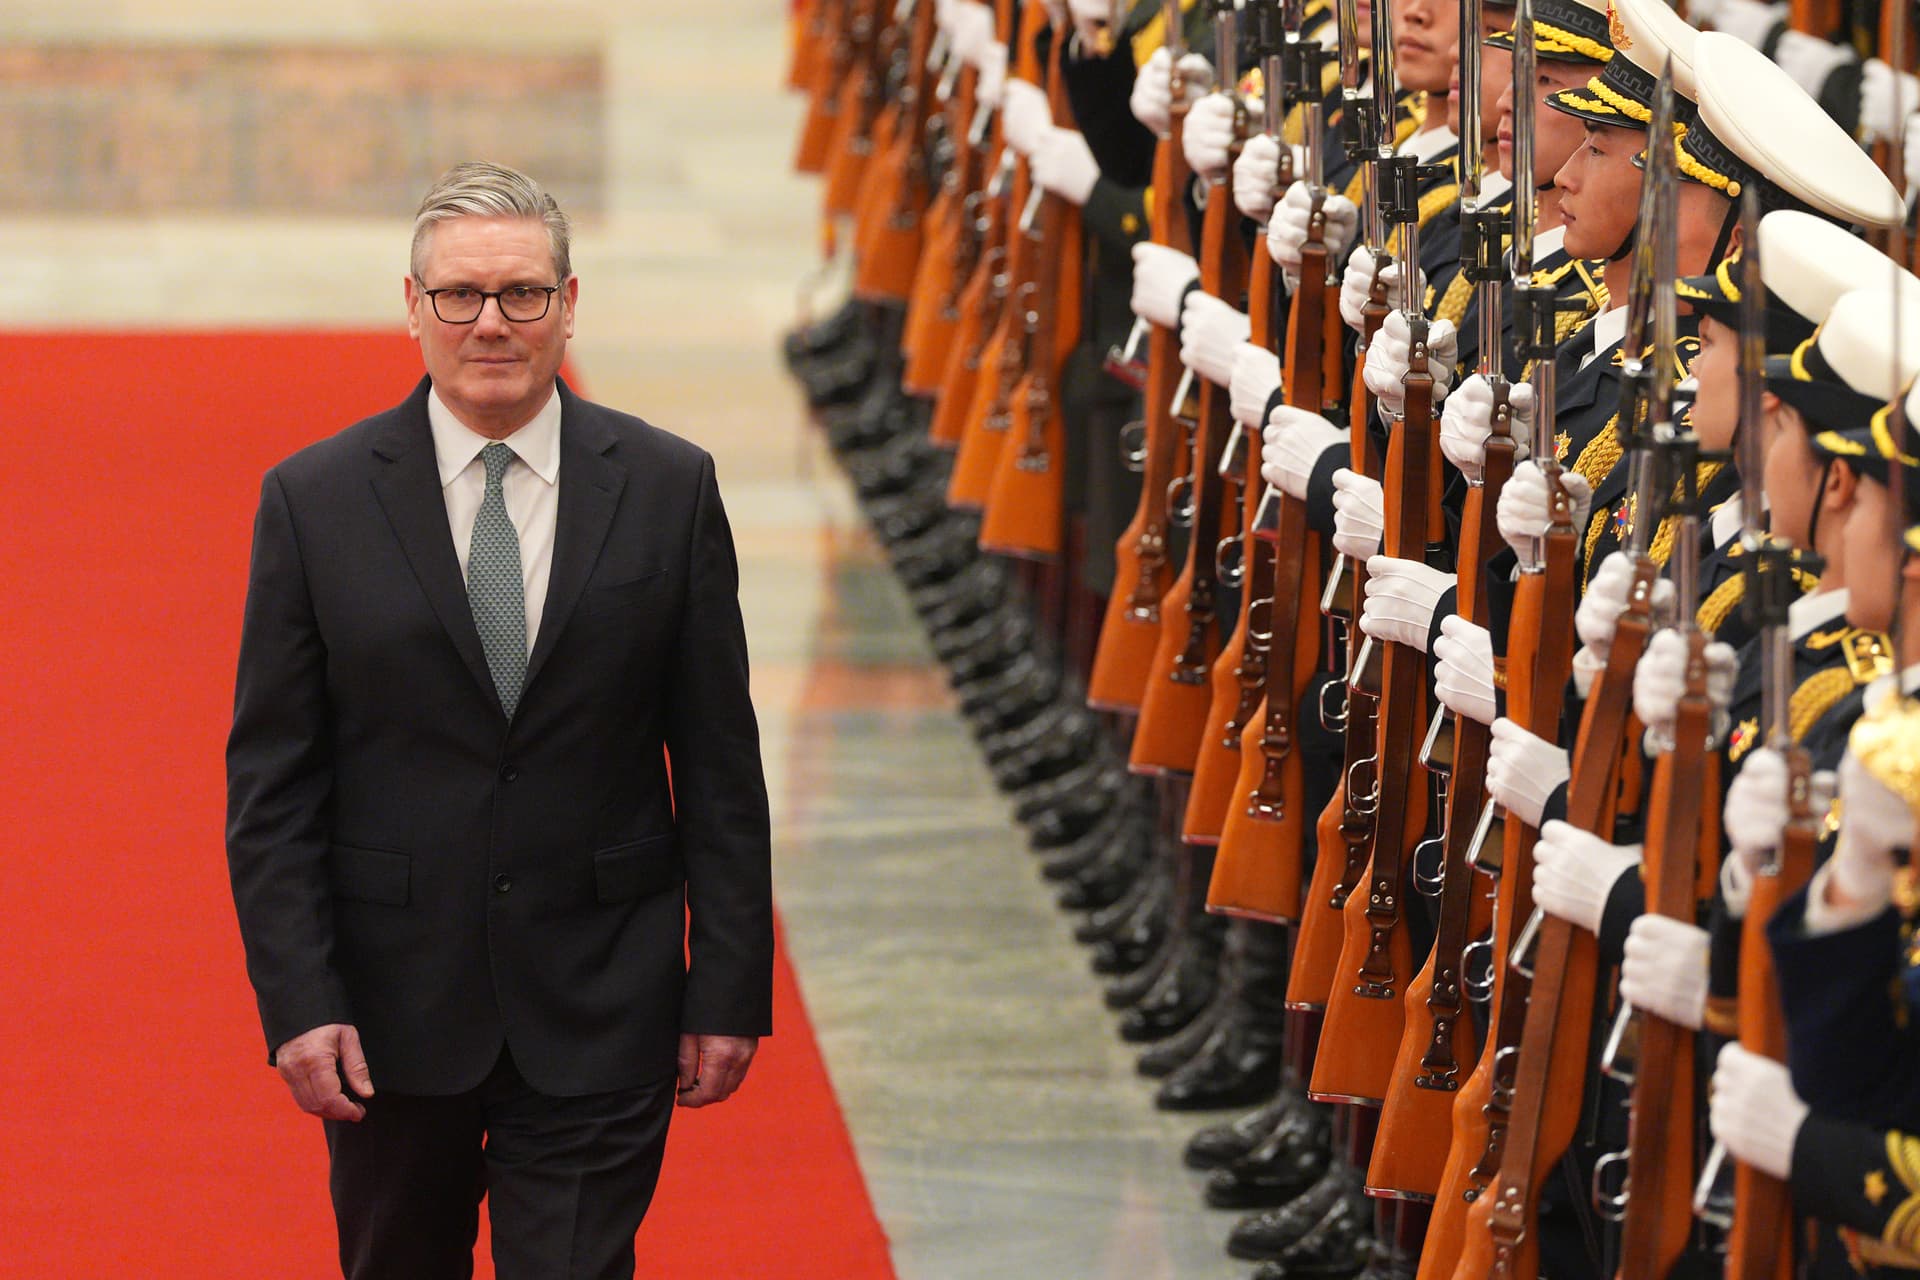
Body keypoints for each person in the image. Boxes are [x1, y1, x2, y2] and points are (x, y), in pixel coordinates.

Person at [225, 160, 774, 1280]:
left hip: (601, 992)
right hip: (390, 1008)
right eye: (461, 296)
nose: (491, 323)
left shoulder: (668, 484)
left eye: (522, 293)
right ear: (413, 306)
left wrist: (727, 983)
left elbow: (719, 758)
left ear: (569, 304)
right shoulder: (313, 499)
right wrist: (299, 997)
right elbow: (273, 784)